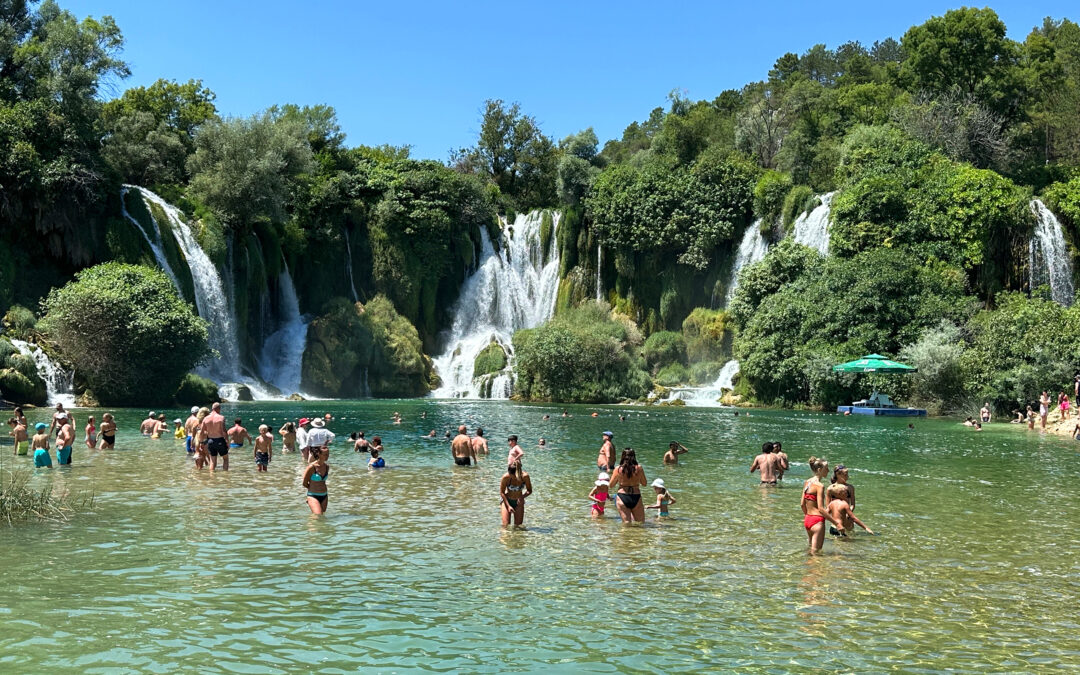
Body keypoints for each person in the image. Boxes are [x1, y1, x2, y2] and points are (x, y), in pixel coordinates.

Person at [802, 456, 843, 554]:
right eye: (826, 468)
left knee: (811, 550)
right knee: (816, 553)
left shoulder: (807, 482)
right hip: (817, 521)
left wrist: (809, 517)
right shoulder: (820, 486)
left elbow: (802, 504)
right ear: (820, 470)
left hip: (808, 519)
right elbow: (821, 508)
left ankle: (807, 569)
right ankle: (817, 569)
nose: (828, 471)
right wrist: (837, 523)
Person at [608, 448, 647, 523]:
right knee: (641, 523)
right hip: (636, 496)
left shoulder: (618, 469)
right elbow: (644, 484)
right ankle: (639, 535)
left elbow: (611, 485)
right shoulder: (639, 468)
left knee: (626, 524)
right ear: (634, 456)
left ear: (622, 456)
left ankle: (626, 535)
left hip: (623, 496)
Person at [499, 459, 532, 528]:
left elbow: (529, 490)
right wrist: (508, 506)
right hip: (506, 501)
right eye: (509, 474)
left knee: (518, 527)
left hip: (518, 503)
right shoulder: (505, 477)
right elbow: (502, 492)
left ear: (517, 474)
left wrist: (522, 497)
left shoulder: (525, 476)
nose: (510, 476)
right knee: (505, 526)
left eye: (512, 475)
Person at [302, 447, 330, 515]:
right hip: (313, 495)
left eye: (328, 454)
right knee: (318, 516)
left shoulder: (327, 467)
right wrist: (312, 489)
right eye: (325, 454)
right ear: (319, 454)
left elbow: (323, 482)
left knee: (321, 517)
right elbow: (304, 483)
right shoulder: (312, 467)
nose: (327, 456)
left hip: (324, 495)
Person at [202, 403, 228, 471]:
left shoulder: (205, 418)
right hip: (219, 440)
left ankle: (212, 476)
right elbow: (224, 431)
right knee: (225, 459)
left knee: (212, 461)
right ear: (218, 409)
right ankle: (226, 476)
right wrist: (227, 441)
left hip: (210, 440)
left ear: (212, 409)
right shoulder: (221, 417)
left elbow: (202, 431)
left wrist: (202, 442)